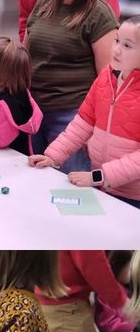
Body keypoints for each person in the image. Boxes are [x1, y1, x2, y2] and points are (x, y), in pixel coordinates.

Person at [24, 0, 118, 172]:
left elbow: (107, 80)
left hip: (71, 118)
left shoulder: (99, 14)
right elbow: (25, 54)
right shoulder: (44, 3)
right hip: (33, 111)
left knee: (69, 187)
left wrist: (92, 128)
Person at [28, 16, 140, 206]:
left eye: (127, 45)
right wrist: (52, 157)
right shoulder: (105, 78)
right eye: (117, 40)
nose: (117, 49)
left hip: (133, 198)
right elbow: (81, 125)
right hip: (103, 188)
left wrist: (99, 176)